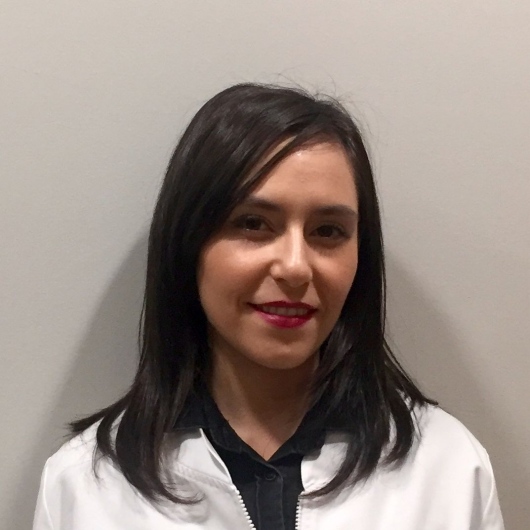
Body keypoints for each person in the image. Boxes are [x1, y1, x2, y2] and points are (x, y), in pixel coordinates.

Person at [33, 83, 504, 530]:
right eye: (253, 223)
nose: (296, 267)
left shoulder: (448, 470)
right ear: (188, 243)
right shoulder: (85, 487)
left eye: (328, 231)